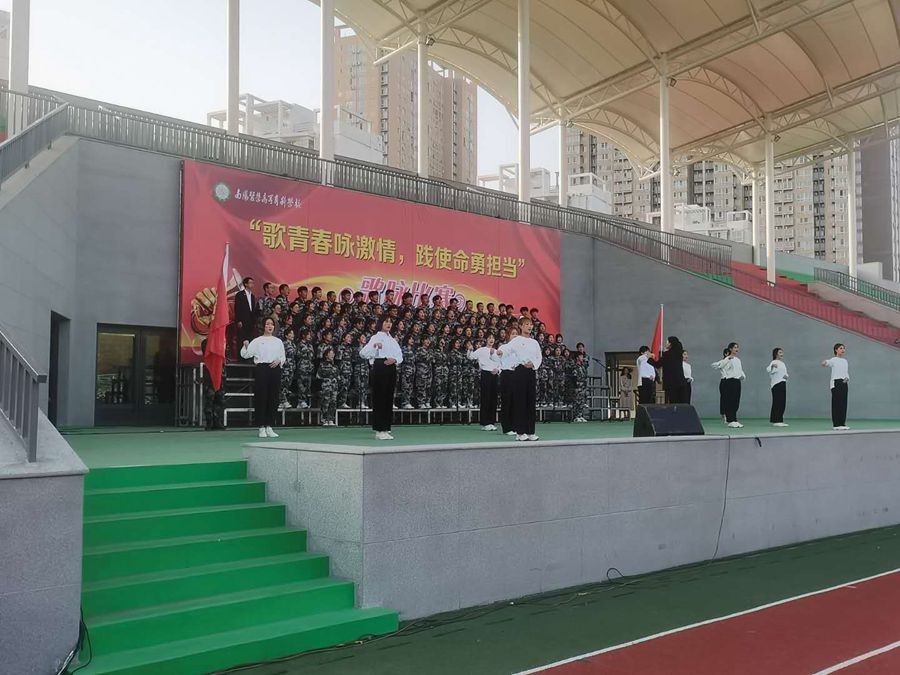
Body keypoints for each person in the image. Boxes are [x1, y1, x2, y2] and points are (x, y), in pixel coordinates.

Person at [497, 318, 542, 441]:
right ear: (521, 326)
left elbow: (539, 357)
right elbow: (507, 349)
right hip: (520, 371)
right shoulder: (516, 340)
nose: (529, 326)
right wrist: (500, 352)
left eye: (531, 324)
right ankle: (520, 432)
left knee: (530, 401)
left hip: (531, 371)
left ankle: (530, 431)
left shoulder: (534, 342)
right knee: (520, 401)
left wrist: (533, 364)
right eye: (527, 324)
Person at [241, 317, 285, 438]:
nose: (270, 326)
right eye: (267, 324)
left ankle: (269, 426)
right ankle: (261, 427)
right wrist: (245, 345)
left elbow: (283, 356)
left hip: (275, 369)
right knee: (261, 397)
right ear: (263, 326)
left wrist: (279, 361)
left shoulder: (278, 341)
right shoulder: (257, 341)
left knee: (273, 397)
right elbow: (246, 354)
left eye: (272, 324)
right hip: (262, 369)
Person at [360, 318, 403, 440]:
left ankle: (386, 427)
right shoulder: (376, 337)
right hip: (380, 366)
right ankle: (379, 429)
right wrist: (374, 347)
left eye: (390, 322)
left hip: (391, 367)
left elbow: (400, 355)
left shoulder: (392, 340)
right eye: (386, 322)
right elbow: (363, 353)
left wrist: (395, 360)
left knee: (389, 398)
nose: (388, 324)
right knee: (380, 398)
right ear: (381, 324)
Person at [468, 334, 501, 430]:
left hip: (494, 375)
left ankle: (491, 422)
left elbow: (500, 363)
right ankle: (484, 422)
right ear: (486, 340)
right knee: (486, 398)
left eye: (493, 338)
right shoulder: (481, 350)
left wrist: (498, 370)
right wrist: (470, 350)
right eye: (489, 338)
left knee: (493, 399)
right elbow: (471, 357)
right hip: (486, 374)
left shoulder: (496, 351)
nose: (491, 340)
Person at [712, 342, 745, 428]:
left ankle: (734, 419)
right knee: (729, 401)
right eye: (735, 347)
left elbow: (740, 370)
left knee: (736, 401)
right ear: (730, 349)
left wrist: (743, 376)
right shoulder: (726, 359)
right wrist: (727, 359)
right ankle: (730, 420)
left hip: (737, 381)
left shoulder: (738, 360)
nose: (736, 349)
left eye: (737, 347)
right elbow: (715, 366)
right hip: (729, 381)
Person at [648, 336, 687, 404]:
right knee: (681, 403)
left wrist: (650, 358)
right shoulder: (679, 354)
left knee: (673, 402)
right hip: (681, 382)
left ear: (670, 343)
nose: (666, 343)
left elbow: (657, 365)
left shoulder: (667, 354)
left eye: (667, 342)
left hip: (671, 383)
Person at [822, 343, 850, 430]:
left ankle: (842, 423)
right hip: (836, 383)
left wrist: (847, 379)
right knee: (837, 403)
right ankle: (836, 424)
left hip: (844, 383)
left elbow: (846, 372)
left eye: (844, 348)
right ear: (836, 350)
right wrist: (824, 362)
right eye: (841, 348)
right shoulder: (833, 360)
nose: (843, 350)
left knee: (843, 403)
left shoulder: (845, 361)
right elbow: (827, 363)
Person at [200, 339, 226, 430]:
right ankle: (209, 422)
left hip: (220, 374)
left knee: (220, 399)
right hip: (210, 375)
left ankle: (217, 421)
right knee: (209, 399)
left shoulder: (222, 342)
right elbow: (207, 353)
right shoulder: (206, 342)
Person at [498, 326, 519, 435]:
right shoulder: (504, 347)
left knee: (516, 402)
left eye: (516, 333)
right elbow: (498, 355)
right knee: (507, 401)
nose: (515, 335)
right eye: (512, 333)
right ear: (508, 336)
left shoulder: (519, 349)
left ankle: (515, 425)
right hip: (506, 374)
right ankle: (506, 427)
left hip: (517, 375)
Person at [234, 277, 258, 354]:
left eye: (253, 283)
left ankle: (248, 356)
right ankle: (240, 357)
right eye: (250, 283)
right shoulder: (240, 295)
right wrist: (238, 320)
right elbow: (237, 308)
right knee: (241, 338)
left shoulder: (252, 296)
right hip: (242, 320)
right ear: (246, 284)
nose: (252, 284)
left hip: (250, 321)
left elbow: (252, 309)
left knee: (249, 338)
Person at [317, 346, 339, 427]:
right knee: (325, 402)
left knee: (333, 402)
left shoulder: (335, 366)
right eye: (330, 354)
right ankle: (324, 419)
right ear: (326, 355)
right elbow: (318, 376)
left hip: (334, 387)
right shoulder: (322, 365)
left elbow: (338, 376)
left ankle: (331, 419)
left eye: (333, 354)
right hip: (326, 387)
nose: (332, 355)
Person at [766, 347, 789, 427]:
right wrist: (772, 366)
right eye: (780, 352)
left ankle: (780, 419)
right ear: (776, 354)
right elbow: (768, 369)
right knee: (777, 402)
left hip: (783, 383)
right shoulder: (773, 362)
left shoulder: (783, 363)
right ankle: (776, 420)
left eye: (782, 352)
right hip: (776, 384)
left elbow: (785, 374)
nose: (782, 354)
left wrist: (786, 376)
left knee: (782, 402)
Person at [571, 353, 589, 423]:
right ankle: (576, 416)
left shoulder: (583, 366)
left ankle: (580, 415)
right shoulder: (575, 366)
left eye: (582, 356)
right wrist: (576, 385)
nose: (582, 358)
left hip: (583, 385)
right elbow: (574, 376)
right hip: (577, 385)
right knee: (577, 401)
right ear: (577, 358)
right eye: (580, 357)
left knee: (582, 401)